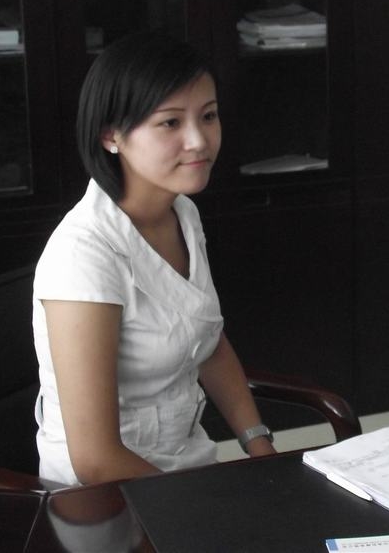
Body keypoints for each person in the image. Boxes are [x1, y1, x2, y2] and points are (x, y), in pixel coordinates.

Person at [33, 31, 275, 486]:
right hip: (104, 496)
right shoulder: (82, 255)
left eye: (208, 116)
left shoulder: (181, 212)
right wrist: (210, 509)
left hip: (184, 468)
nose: (198, 141)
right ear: (111, 135)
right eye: (170, 123)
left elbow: (207, 341)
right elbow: (96, 459)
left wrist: (260, 447)